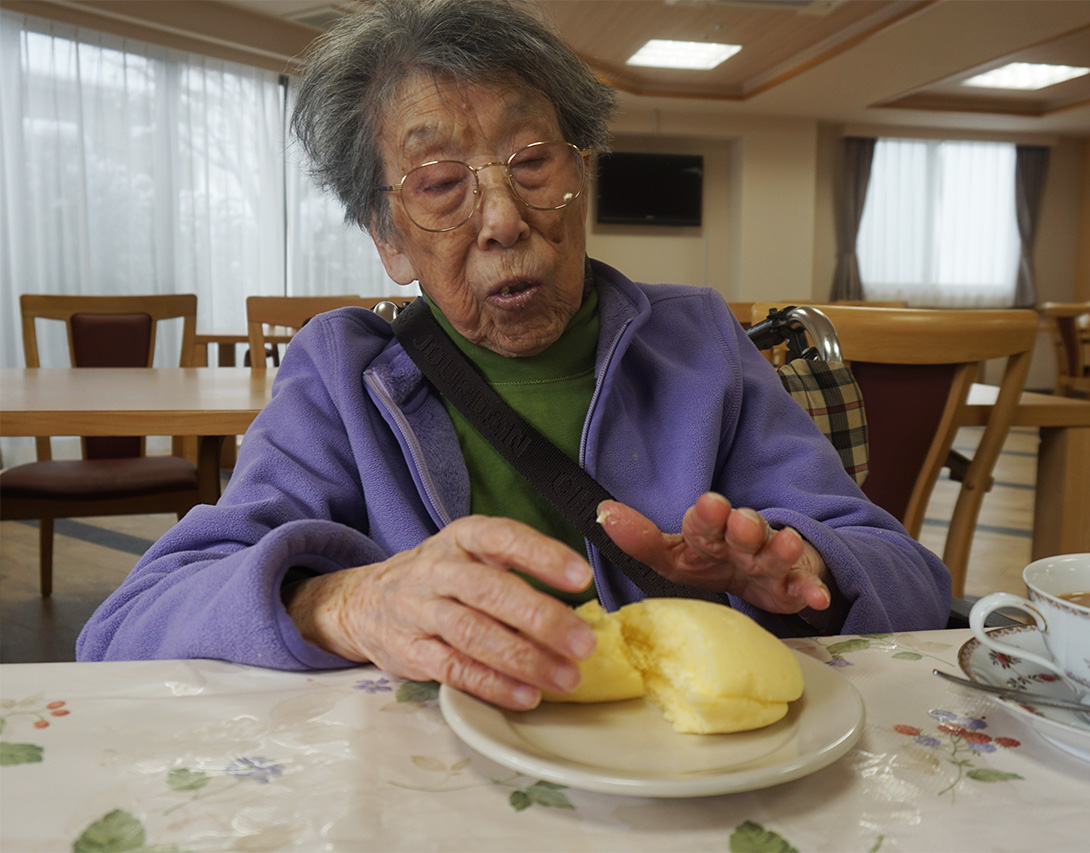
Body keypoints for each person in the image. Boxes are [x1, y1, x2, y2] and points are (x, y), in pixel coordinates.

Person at [77, 0, 952, 709]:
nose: (502, 218)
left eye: (531, 160)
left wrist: (803, 572)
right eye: (440, 184)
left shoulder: (698, 343)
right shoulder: (337, 373)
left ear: (581, 176)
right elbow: (126, 628)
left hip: (687, 783)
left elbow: (909, 577)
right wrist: (345, 601)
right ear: (388, 238)